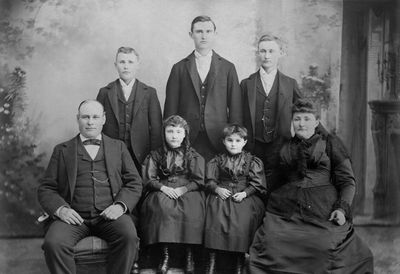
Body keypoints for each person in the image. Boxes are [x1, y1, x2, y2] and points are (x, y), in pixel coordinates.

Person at [247, 99, 374, 274]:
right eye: (297, 119)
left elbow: (347, 182)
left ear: (316, 121)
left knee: (324, 246)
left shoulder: (330, 143)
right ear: (293, 122)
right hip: (286, 206)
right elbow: (271, 180)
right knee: (271, 244)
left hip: (323, 207)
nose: (302, 123)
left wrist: (342, 209)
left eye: (307, 119)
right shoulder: (283, 147)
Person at [37, 100, 142, 274]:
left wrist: (120, 206)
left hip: (110, 216)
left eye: (95, 117)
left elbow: (134, 182)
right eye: (85, 117)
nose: (90, 122)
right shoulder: (62, 150)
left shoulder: (119, 147)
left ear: (104, 119)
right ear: (78, 119)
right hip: (73, 217)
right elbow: (46, 188)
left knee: (129, 237)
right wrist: (61, 210)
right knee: (53, 243)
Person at [164, 15, 242, 162]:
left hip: (219, 136)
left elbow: (235, 108)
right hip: (186, 137)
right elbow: (170, 109)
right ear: (191, 35)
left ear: (215, 34)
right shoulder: (179, 68)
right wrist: (172, 138)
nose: (204, 36)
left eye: (208, 31)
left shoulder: (228, 68)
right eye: (199, 31)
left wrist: (234, 137)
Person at [139, 115, 206, 274]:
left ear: (185, 134)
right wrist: (164, 188)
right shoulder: (156, 154)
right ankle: (165, 255)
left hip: (187, 189)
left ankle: (189, 255)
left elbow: (199, 179)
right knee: (161, 207)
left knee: (192, 208)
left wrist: (183, 189)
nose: (174, 136)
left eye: (178, 131)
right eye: (170, 131)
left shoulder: (192, 155)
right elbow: (149, 178)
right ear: (164, 133)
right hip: (163, 187)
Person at [204, 124, 266, 274]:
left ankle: (239, 262)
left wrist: (245, 193)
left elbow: (257, 184)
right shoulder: (218, 160)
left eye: (238, 141)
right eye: (230, 140)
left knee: (243, 217)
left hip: (244, 194)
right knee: (215, 212)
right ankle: (212, 262)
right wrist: (217, 189)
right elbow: (209, 180)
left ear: (244, 142)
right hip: (222, 192)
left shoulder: (251, 160)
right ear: (224, 141)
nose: (233, 144)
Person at [241, 34, 302, 187]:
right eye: (262, 51)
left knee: (277, 185)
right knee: (253, 184)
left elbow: (304, 112)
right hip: (253, 146)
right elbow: (238, 116)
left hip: (280, 146)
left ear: (281, 53)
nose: (266, 56)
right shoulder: (246, 84)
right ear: (258, 53)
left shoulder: (290, 84)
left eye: (271, 51)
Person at [97, 46, 162, 172]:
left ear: (138, 65)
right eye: (122, 62)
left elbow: (156, 129)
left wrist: (154, 157)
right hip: (112, 153)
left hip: (141, 154)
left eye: (130, 62)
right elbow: (98, 126)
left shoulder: (149, 93)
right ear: (115, 65)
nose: (126, 66)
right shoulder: (105, 92)